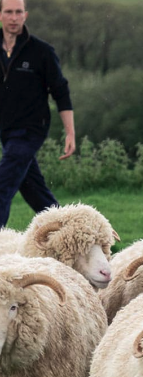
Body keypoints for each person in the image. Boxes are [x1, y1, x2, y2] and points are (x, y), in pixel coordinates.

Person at [0, 0, 74, 227]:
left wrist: (70, 132)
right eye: (9, 12)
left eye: (18, 12)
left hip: (32, 129)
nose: (14, 17)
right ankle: (68, 231)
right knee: (34, 190)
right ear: (1, 15)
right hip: (6, 129)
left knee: (2, 186)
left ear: (26, 15)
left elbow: (60, 91)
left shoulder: (41, 51)